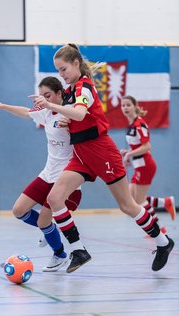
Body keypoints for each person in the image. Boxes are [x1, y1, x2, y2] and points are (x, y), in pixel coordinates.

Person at [32, 43, 175, 274]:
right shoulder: (69, 91)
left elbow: (80, 112)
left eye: (64, 69)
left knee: (127, 205)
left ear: (76, 64)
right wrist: (63, 119)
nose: (61, 74)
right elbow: (75, 117)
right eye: (58, 70)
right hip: (81, 154)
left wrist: (51, 105)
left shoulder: (84, 87)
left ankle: (163, 242)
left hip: (101, 151)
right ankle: (79, 250)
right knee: (55, 198)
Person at [0, 76, 82, 272]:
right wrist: (2, 105)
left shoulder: (71, 113)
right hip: (47, 174)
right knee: (18, 210)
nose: (43, 99)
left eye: (47, 95)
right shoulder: (47, 112)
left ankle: (60, 254)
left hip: (66, 179)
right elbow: (26, 112)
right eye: (41, 96)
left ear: (60, 93)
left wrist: (71, 125)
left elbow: (86, 123)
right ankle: (50, 231)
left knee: (43, 220)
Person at [120, 95, 176, 234]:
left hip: (146, 165)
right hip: (139, 165)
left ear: (135, 106)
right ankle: (165, 203)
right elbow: (137, 146)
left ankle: (159, 229)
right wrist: (128, 152)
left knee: (139, 201)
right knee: (134, 198)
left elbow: (146, 146)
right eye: (123, 105)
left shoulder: (140, 124)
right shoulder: (131, 124)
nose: (125, 108)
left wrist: (129, 154)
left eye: (128, 105)